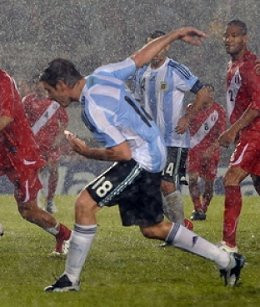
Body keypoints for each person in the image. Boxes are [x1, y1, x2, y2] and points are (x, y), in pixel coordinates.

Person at [39, 27, 245, 292]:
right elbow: (140, 57)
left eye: (49, 91)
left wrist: (84, 151)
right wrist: (175, 34)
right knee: (153, 228)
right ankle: (227, 260)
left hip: (142, 157)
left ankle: (71, 279)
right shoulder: (102, 74)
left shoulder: (92, 108)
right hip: (152, 148)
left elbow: (122, 153)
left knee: (84, 204)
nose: (49, 97)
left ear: (62, 86)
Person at [0, 38, 71, 255]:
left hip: (22, 152)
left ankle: (65, 235)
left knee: (28, 211)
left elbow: (6, 117)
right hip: (0, 148)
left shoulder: (4, 82)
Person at [133, 30, 210, 229]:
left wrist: (187, 117)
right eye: (151, 47)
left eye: (159, 46)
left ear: (167, 46)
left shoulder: (176, 70)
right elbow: (137, 105)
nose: (155, 51)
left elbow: (203, 92)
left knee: (166, 182)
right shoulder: (141, 73)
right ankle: (181, 224)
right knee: (149, 185)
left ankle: (179, 232)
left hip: (173, 139)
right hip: (150, 140)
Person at [218, 20, 260, 252]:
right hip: (247, 132)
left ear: (245, 38)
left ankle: (229, 245)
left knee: (231, 179)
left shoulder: (250, 65)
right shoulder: (232, 65)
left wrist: (233, 130)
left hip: (255, 132)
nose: (229, 39)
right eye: (226, 35)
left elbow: (258, 104)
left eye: (234, 36)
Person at [22, 78, 69, 214]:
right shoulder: (28, 101)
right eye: (37, 84)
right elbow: (21, 119)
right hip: (34, 146)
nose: (40, 87)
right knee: (36, 172)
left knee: (53, 170)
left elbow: (64, 122)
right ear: (34, 86)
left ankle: (50, 201)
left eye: (43, 85)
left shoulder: (55, 102)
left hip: (52, 145)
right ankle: (36, 199)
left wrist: (59, 138)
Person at [187, 84, 226, 221]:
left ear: (212, 95)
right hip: (194, 150)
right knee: (192, 180)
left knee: (208, 185)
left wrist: (211, 149)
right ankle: (197, 208)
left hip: (211, 151)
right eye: (203, 92)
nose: (206, 95)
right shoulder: (192, 108)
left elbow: (221, 135)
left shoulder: (219, 111)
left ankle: (204, 208)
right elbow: (186, 130)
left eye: (209, 92)